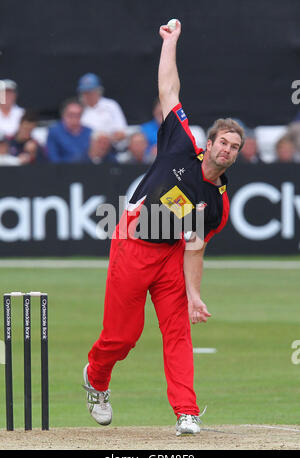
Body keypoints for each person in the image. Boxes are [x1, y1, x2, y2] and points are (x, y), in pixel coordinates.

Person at [83, 20, 244, 436]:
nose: (226, 150)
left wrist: (193, 293)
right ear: (209, 143)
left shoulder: (218, 204)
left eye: (235, 147)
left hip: (171, 255)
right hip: (134, 241)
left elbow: (196, 247)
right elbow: (169, 90)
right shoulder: (179, 144)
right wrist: (170, 43)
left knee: (178, 333)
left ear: (236, 156)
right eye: (222, 142)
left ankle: (186, 412)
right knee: (122, 337)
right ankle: (97, 378)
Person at [78, 73, 128, 149]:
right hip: (86, 150)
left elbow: (122, 133)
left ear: (99, 91)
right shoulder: (78, 110)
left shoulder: (111, 105)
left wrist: (104, 140)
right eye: (85, 92)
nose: (88, 95)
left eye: (91, 92)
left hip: (112, 148)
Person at [46, 98, 92, 163]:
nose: (74, 118)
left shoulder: (89, 132)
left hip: (87, 169)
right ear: (63, 115)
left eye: (78, 115)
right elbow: (53, 157)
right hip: (62, 170)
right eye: (71, 115)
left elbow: (94, 156)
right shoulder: (54, 132)